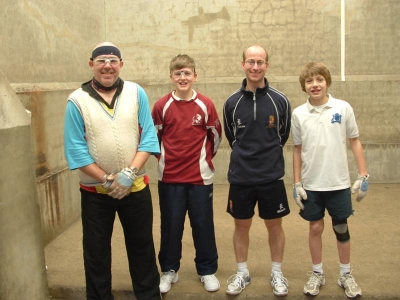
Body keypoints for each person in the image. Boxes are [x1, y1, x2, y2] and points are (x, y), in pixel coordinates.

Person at [63, 42, 161, 300]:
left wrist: (129, 174)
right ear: (91, 64)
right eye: (101, 60)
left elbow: (149, 138)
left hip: (135, 188)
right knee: (96, 255)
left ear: (121, 64)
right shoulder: (77, 100)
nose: (107, 65)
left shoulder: (136, 92)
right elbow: (76, 151)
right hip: (96, 193)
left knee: (142, 250)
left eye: (113, 60)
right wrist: (107, 180)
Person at [292, 62, 369, 298]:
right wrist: (296, 183)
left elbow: (354, 140)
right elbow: (297, 149)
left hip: (338, 183)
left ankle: (345, 274)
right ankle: (317, 273)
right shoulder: (299, 113)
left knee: (341, 227)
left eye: (319, 80)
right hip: (312, 184)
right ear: (304, 86)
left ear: (327, 82)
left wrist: (363, 174)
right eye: (309, 81)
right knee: (315, 227)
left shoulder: (343, 108)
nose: (315, 85)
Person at [222, 45, 291, 296]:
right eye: (250, 62)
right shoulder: (231, 102)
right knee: (241, 227)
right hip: (241, 177)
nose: (255, 66)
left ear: (267, 66)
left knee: (275, 227)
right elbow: (232, 137)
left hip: (271, 176)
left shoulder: (280, 100)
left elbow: (281, 135)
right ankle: (242, 273)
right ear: (243, 65)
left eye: (260, 62)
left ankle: (277, 272)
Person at [151, 54, 222, 294]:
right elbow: (154, 138)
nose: (183, 77)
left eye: (187, 73)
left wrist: (204, 161)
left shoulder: (205, 104)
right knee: (171, 226)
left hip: (200, 178)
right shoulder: (162, 106)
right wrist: (163, 161)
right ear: (171, 77)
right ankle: (169, 269)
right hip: (170, 178)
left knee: (203, 225)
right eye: (178, 73)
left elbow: (216, 136)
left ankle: (207, 270)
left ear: (195, 76)